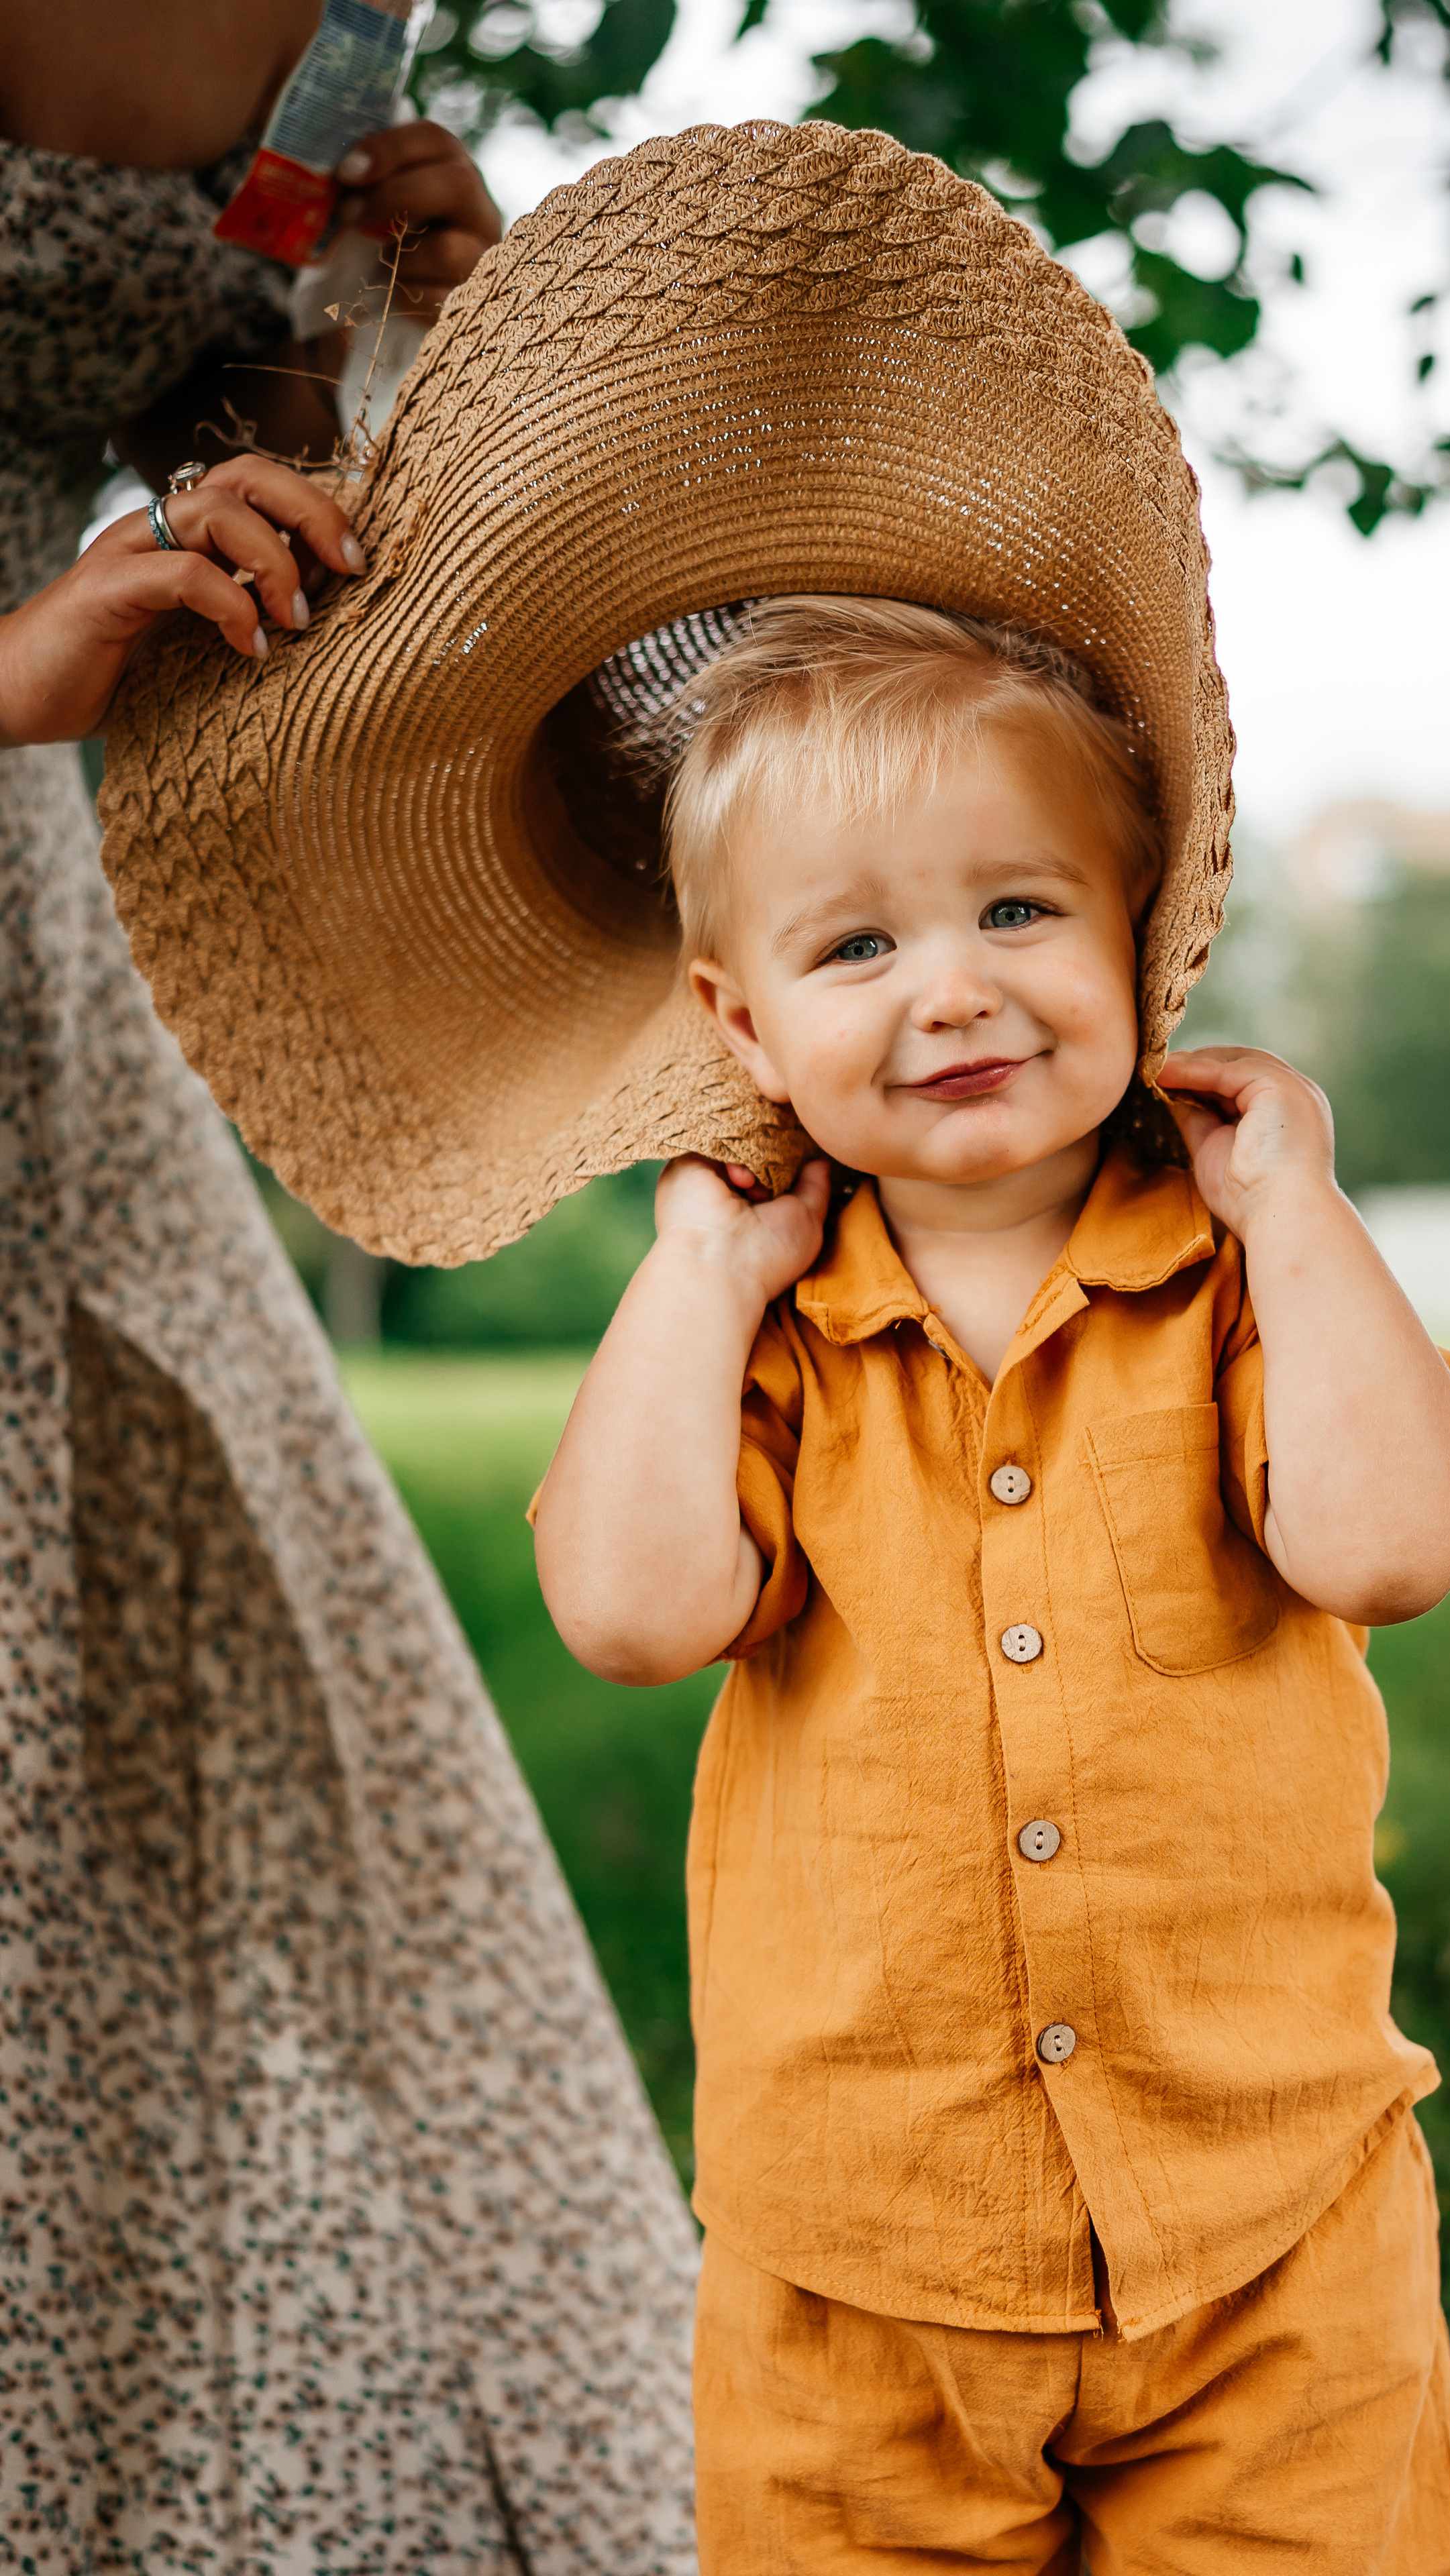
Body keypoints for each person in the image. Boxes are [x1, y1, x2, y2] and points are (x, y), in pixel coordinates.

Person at [531, 595, 1450, 2573]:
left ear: (1139, 931)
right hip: (862, 2253)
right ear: (740, 1022)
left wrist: (1298, 1210)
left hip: (1266, 2221)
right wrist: (699, 1276)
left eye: (1020, 913)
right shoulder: (764, 1334)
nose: (951, 991)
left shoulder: (1244, 1278)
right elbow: (633, 1615)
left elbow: (1390, 1544)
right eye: (858, 945)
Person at [0, 11, 697, 2567]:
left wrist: (389, 363)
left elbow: (209, 432)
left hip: (36, 942)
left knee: (183, 1702)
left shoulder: (331, 29)